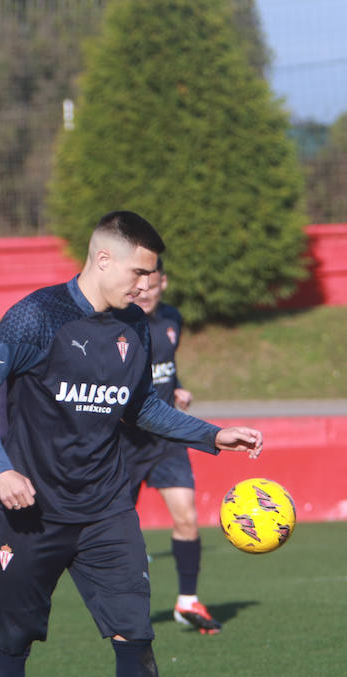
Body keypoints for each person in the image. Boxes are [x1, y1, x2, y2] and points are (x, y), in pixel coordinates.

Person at [0, 211, 263, 677]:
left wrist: (211, 435)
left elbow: (141, 406)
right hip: (31, 512)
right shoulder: (37, 316)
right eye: (139, 271)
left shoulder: (136, 329)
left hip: (106, 512)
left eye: (152, 274)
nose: (147, 284)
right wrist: (0, 470)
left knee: (136, 638)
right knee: (10, 643)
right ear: (103, 261)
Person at [121, 259, 218, 634]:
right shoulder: (119, 325)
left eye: (151, 282)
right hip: (125, 442)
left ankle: (187, 601)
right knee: (119, 531)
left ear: (164, 282)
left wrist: (176, 388)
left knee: (187, 518)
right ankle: (124, 609)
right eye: (138, 282)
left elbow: (166, 366)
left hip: (167, 437)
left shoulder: (173, 319)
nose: (143, 290)